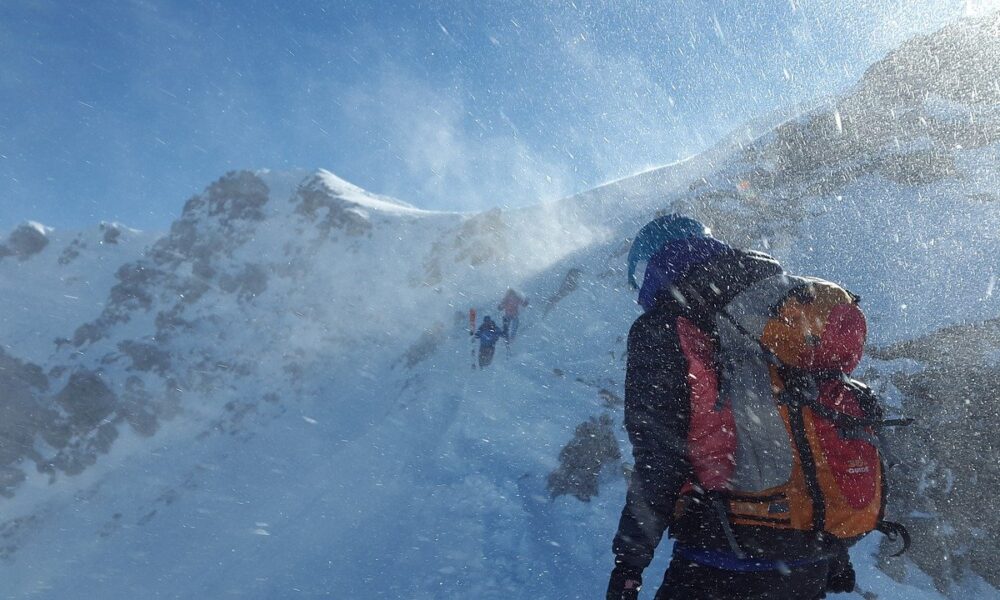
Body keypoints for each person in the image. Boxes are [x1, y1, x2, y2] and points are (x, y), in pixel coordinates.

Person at [607, 215, 859, 600]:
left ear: (654, 265)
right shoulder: (775, 305)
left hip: (722, 554)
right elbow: (811, 426)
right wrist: (834, 550)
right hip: (806, 559)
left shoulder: (664, 327)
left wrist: (628, 564)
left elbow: (659, 457)